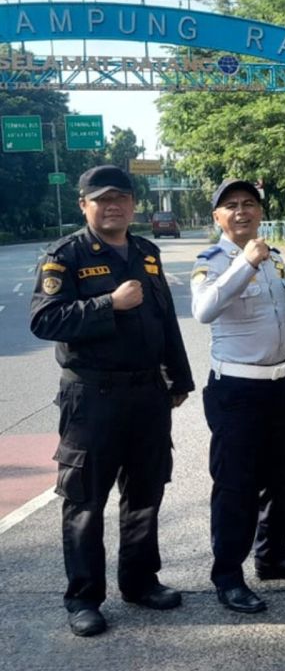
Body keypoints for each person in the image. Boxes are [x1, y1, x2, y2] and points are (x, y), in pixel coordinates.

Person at [29, 165, 193, 637]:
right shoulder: (65, 256)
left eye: (121, 197)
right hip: (92, 395)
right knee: (85, 499)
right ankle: (83, 597)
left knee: (145, 492)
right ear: (84, 205)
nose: (113, 205)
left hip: (147, 393)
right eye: (102, 199)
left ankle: (140, 581)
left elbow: (164, 319)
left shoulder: (145, 252)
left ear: (134, 204)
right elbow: (45, 320)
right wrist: (109, 304)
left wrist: (177, 378)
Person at [191, 180, 285, 614]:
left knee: (279, 478)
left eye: (249, 204)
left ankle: (273, 557)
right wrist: (244, 264)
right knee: (236, 487)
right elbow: (203, 310)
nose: (241, 211)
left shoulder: (275, 258)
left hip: (276, 384)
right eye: (231, 206)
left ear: (261, 211)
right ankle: (228, 576)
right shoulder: (211, 260)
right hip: (236, 390)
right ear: (218, 217)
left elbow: (282, 318)